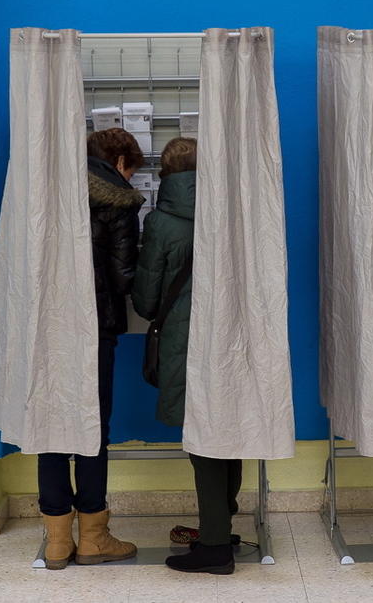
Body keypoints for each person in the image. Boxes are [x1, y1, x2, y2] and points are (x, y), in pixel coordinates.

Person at [132, 137, 241, 575]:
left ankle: (215, 546)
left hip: (185, 338)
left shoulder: (160, 221)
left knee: (202, 442)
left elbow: (146, 298)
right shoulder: (232, 211)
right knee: (229, 430)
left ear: (165, 173)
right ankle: (222, 523)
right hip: (233, 335)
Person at [37, 128, 145, 570]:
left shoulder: (48, 189)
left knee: (50, 426)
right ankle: (94, 539)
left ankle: (58, 542)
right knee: (91, 428)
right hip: (95, 326)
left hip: (49, 324)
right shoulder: (118, 201)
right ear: (119, 162)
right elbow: (124, 278)